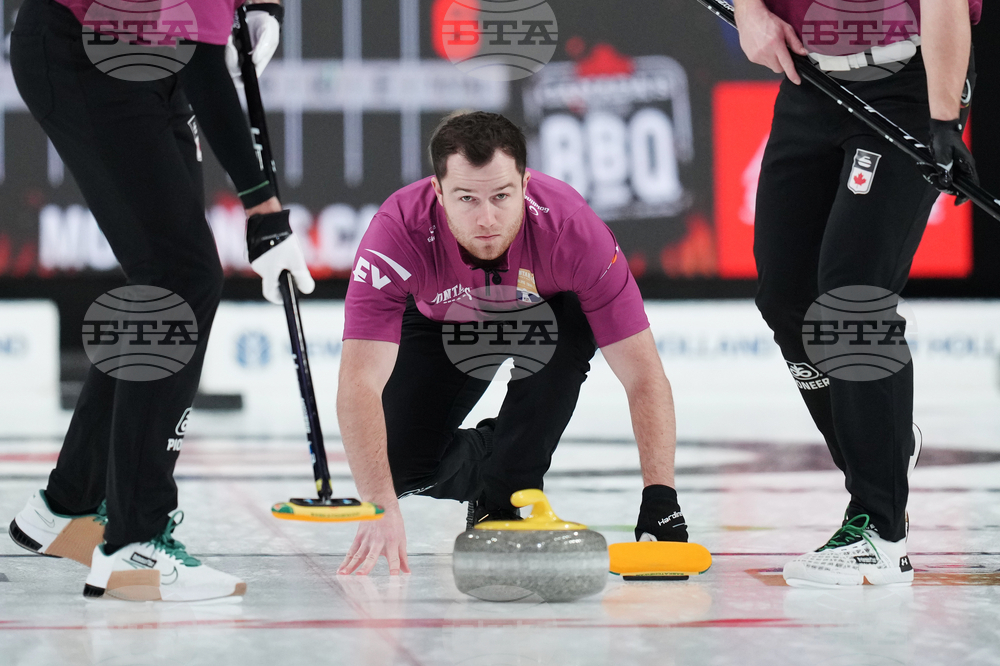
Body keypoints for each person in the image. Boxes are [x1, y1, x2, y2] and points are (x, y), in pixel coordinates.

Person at [6, 0, 314, 601]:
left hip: (150, 51)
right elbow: (205, 70)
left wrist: (262, 7)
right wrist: (264, 211)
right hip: (87, 46)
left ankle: (70, 507)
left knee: (168, 276)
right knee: (181, 274)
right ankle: (133, 545)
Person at [336, 111, 688, 576]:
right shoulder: (397, 232)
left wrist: (660, 500)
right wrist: (379, 504)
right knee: (397, 467)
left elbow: (644, 375)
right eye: (466, 198)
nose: (486, 219)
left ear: (524, 183)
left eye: (502, 196)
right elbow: (358, 383)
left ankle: (503, 493)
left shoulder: (574, 232)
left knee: (563, 347)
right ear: (437, 193)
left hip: (549, 312)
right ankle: (493, 457)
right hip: (444, 321)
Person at [734, 0, 981, 585]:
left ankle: (880, 528)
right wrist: (750, 12)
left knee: (852, 299)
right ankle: (885, 445)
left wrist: (943, 120)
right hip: (809, 81)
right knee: (785, 296)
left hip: (907, 84)